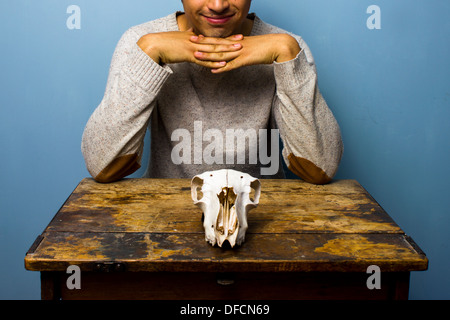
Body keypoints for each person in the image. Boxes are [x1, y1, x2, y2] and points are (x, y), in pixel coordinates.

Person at [81, 0, 343, 184]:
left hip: (261, 216)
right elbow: (102, 166)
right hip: (165, 217)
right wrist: (149, 52)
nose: (218, 5)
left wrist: (287, 54)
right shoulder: (142, 40)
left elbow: (321, 168)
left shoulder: (287, 46)